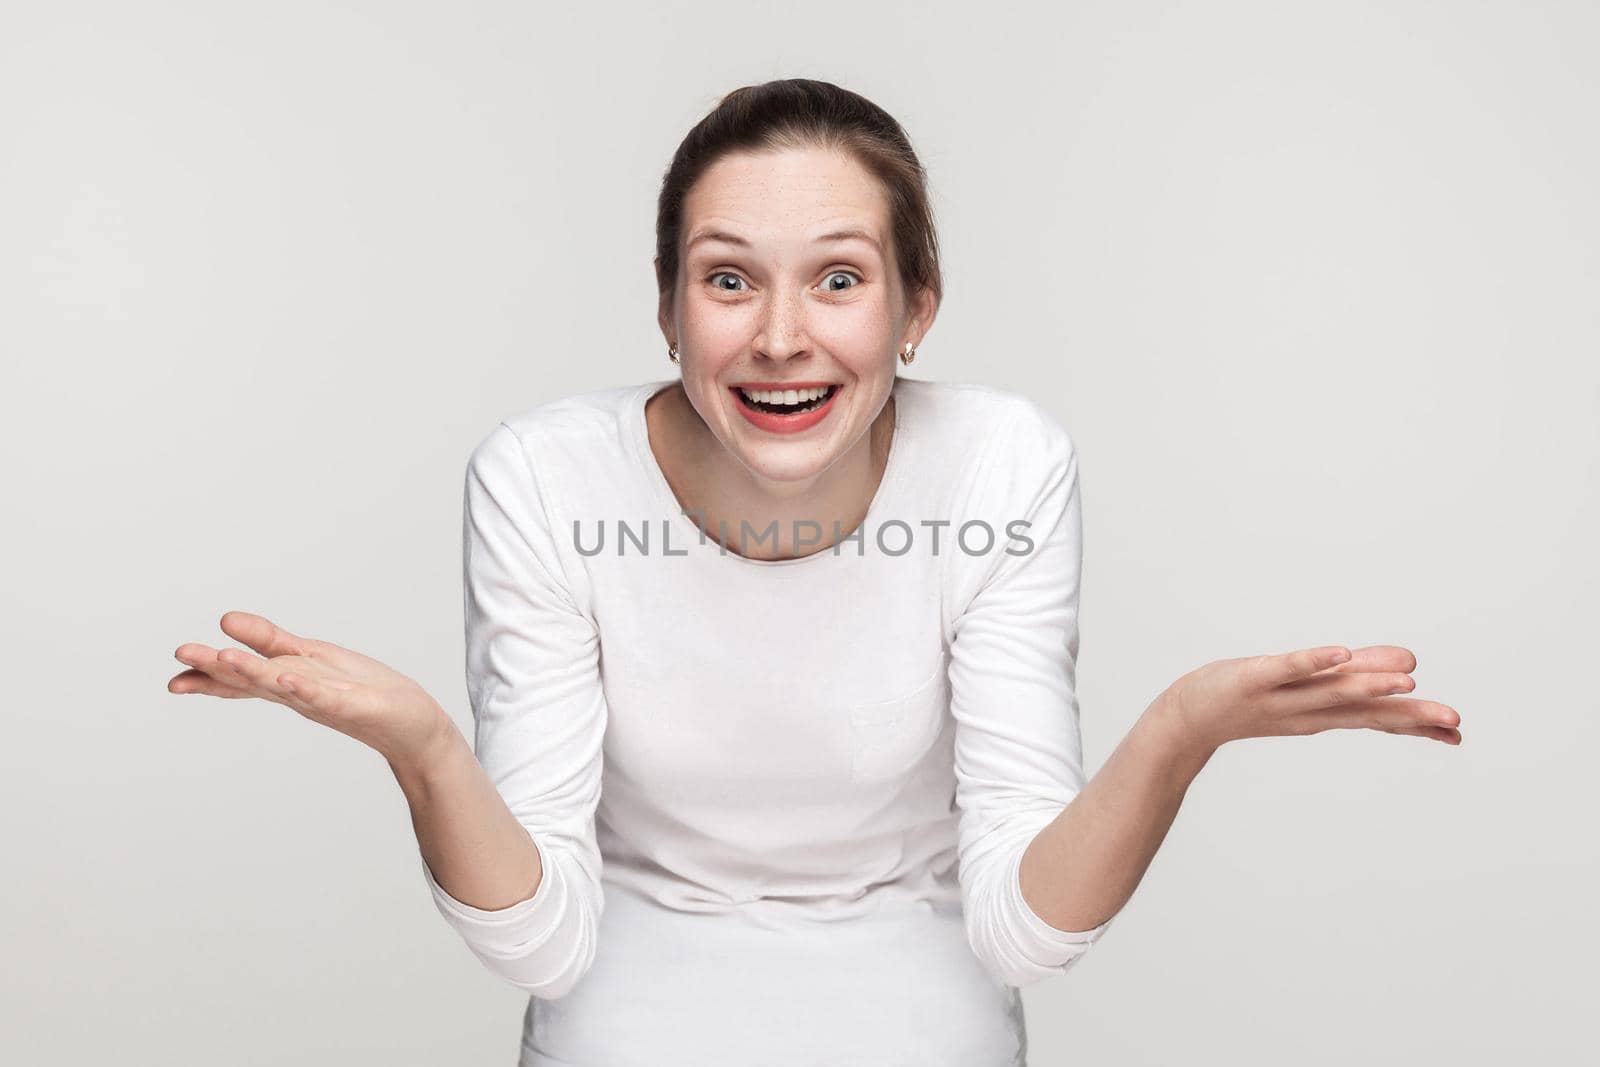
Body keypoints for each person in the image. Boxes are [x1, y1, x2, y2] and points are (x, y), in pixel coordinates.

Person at [166, 78, 1462, 1066]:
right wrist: (427, 751)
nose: (781, 337)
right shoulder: (545, 479)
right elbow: (541, 938)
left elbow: (1026, 932)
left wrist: (1186, 729)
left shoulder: (1001, 463)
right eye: (728, 279)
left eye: (838, 278)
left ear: (915, 308)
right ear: (669, 307)